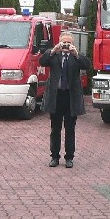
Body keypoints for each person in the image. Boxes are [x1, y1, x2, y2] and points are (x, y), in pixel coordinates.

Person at [39, 32, 91, 169]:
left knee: (70, 129)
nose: (66, 46)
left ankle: (69, 157)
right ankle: (54, 157)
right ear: (60, 43)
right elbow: (42, 61)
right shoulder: (54, 55)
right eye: (64, 43)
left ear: (73, 44)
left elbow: (88, 65)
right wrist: (53, 50)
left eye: (69, 43)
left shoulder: (76, 57)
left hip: (70, 97)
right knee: (55, 128)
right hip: (56, 96)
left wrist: (77, 54)